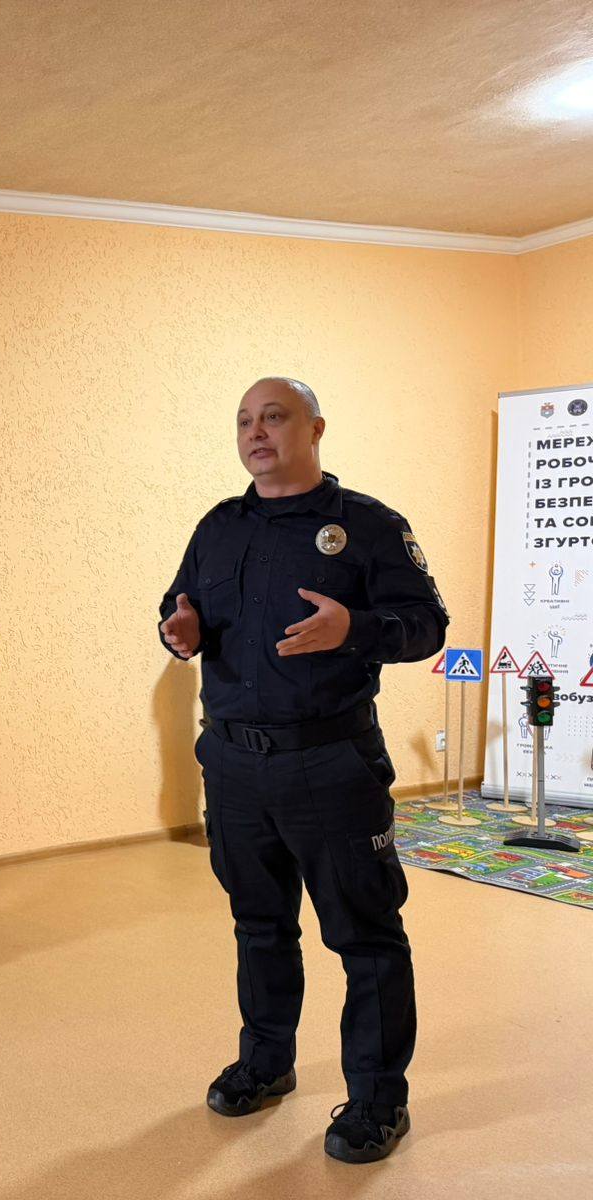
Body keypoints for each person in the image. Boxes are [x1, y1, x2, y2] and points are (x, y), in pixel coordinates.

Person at [158, 377, 448, 1164]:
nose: (256, 432)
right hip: (233, 763)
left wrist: (355, 627)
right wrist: (178, 630)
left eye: (274, 417)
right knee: (259, 925)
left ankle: (378, 1101)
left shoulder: (368, 526)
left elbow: (427, 625)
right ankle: (266, 1062)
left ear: (315, 429)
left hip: (331, 765)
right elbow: (178, 607)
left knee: (366, 937)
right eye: (245, 421)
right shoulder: (218, 527)